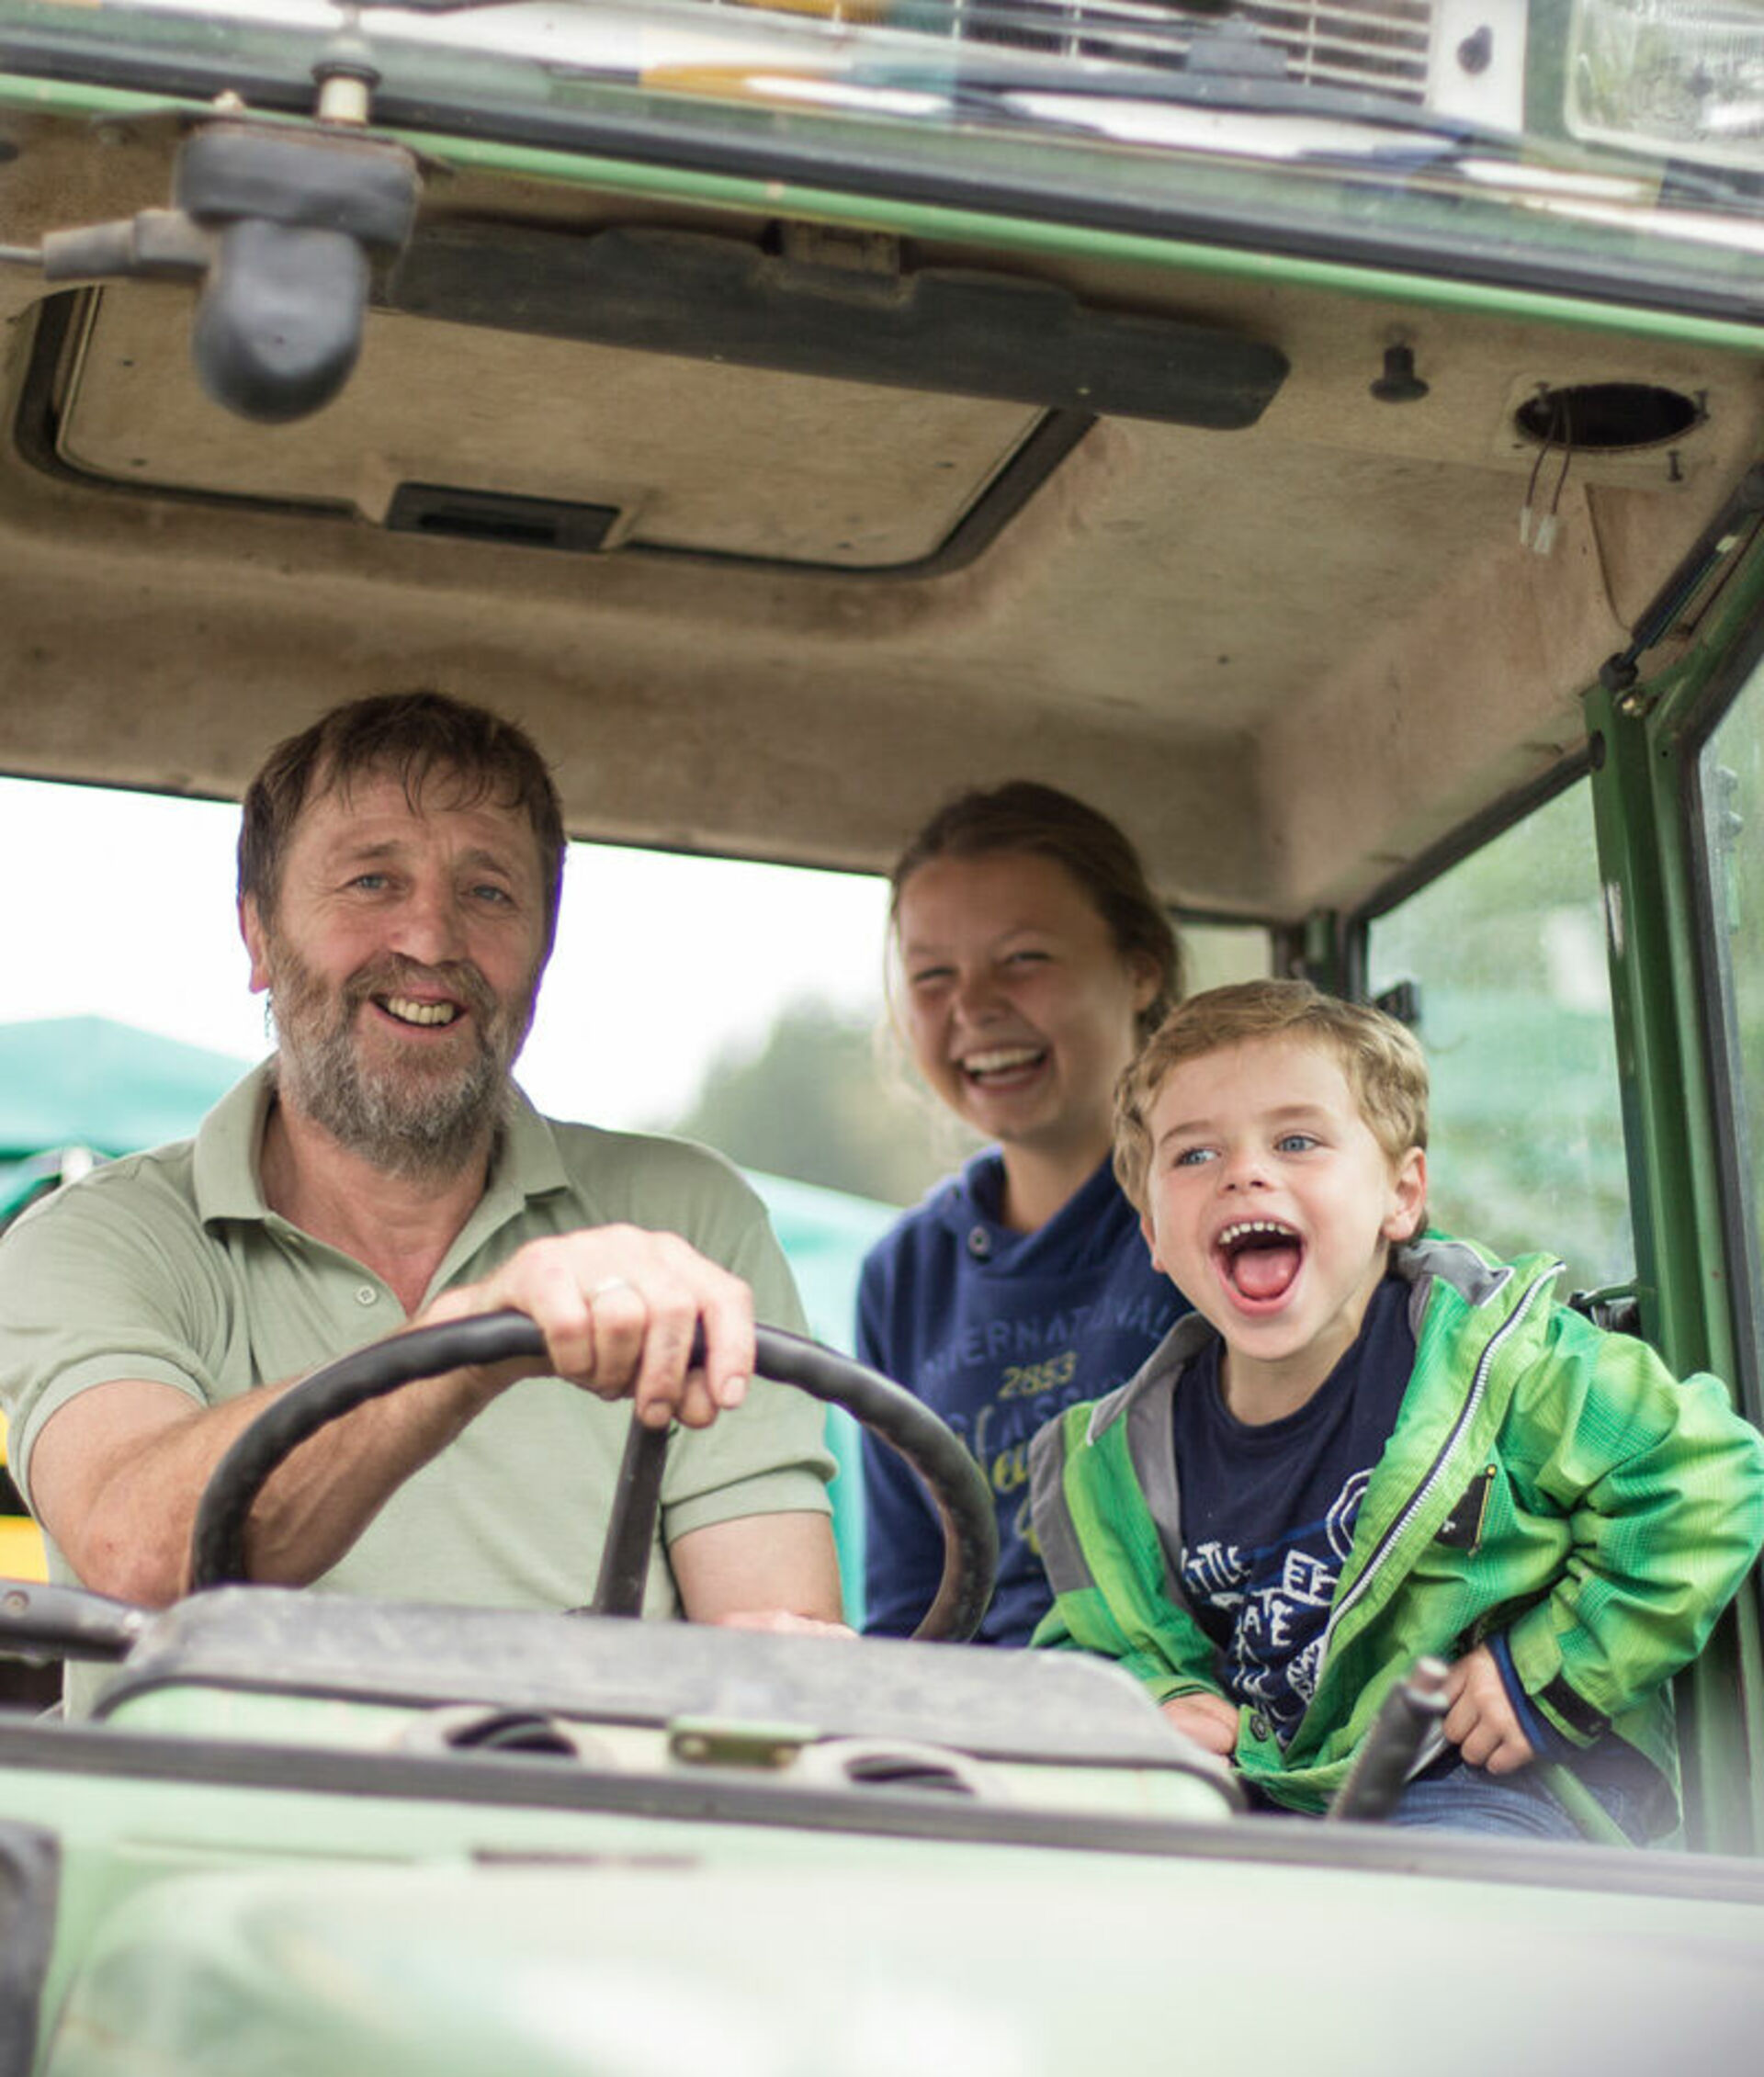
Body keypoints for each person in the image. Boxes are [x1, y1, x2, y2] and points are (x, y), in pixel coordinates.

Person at [0, 693, 847, 1699]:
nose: (431, 937)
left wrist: (783, 1666)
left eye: (489, 893)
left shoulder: (687, 1216)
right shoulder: (96, 1237)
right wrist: (474, 1339)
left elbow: (782, 1662)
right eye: (372, 879)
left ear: (543, 947)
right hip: (209, 1851)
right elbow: (139, 1554)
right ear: (258, 935)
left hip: (591, 1848)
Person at [1029, 978, 1764, 1840]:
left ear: (1401, 1196)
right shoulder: (1119, 1461)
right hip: (1276, 1797)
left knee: (1412, 1921)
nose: (1245, 1173)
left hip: (1493, 1779)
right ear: (1152, 1231)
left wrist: (1548, 1670)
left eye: (1296, 1140)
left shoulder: (1502, 1363)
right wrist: (1171, 1697)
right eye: (1194, 1156)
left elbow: (1703, 1481)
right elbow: (1101, 1633)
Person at [857, 784, 1185, 1645]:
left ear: (1140, 965)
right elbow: (905, 1612)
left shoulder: (1225, 1208)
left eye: (1024, 958)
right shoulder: (903, 1277)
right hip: (984, 1737)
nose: (973, 1006)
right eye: (933, 975)